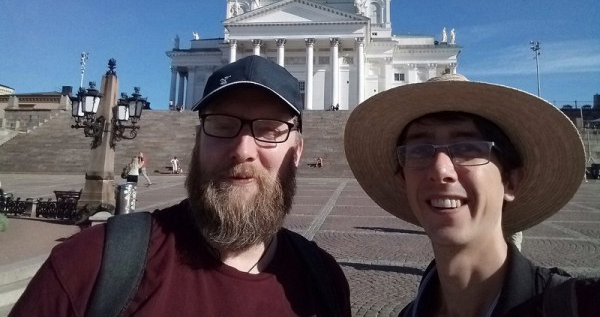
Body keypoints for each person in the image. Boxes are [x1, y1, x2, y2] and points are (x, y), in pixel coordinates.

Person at [12, 55, 350, 316]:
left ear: (297, 151)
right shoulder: (89, 265)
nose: (243, 150)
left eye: (270, 129)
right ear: (197, 138)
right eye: (221, 123)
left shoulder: (325, 283)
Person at [344, 73, 599, 316]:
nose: (439, 170)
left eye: (466, 148)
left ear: (510, 181)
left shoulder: (580, 306)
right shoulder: (410, 313)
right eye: (420, 150)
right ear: (403, 181)